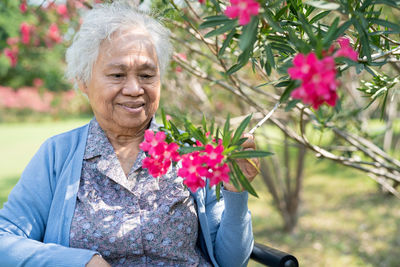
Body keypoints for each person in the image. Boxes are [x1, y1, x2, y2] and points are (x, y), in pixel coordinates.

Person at [0, 2, 259, 266]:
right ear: (83, 81)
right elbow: (4, 239)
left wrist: (235, 191)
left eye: (147, 74)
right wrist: (81, 262)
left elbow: (231, 261)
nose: (135, 89)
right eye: (117, 74)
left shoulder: (191, 150)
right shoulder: (57, 155)